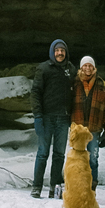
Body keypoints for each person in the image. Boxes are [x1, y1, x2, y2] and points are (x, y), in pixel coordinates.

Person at [32, 37, 76, 198]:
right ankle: (36, 186)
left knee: (59, 154)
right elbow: (35, 92)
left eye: (62, 50)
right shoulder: (44, 68)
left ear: (66, 53)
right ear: (52, 52)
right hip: (46, 118)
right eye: (57, 50)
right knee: (43, 153)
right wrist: (37, 116)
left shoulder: (71, 69)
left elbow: (75, 93)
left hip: (63, 119)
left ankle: (55, 188)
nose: (60, 53)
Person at [71, 54, 105, 190]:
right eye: (85, 65)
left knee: (93, 160)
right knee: (77, 159)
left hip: (94, 129)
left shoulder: (102, 86)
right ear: (81, 68)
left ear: (94, 68)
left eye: (90, 65)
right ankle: (78, 186)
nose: (88, 68)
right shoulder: (74, 83)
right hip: (78, 129)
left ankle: (91, 187)